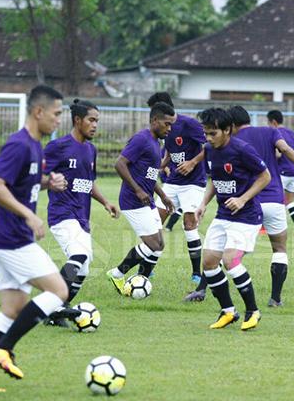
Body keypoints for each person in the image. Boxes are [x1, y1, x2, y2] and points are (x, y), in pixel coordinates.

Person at [0, 85, 70, 392]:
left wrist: (50, 183)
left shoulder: (36, 146)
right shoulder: (19, 144)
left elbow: (24, 183)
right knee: (59, 290)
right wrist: (29, 215)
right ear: (39, 112)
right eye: (57, 114)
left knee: (12, 309)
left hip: (6, 239)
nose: (59, 120)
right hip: (12, 238)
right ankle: (4, 347)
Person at [190, 105, 294, 307]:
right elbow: (285, 149)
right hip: (274, 200)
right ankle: (275, 298)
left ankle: (202, 290)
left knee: (221, 249)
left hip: (246, 202)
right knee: (279, 249)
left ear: (229, 126)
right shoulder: (269, 132)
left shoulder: (234, 143)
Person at [43, 99, 120, 327]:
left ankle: (55, 312)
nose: (95, 125)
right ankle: (54, 306)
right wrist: (49, 182)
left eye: (97, 121)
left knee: (84, 267)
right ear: (77, 120)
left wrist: (105, 202)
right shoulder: (58, 146)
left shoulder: (90, 149)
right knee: (79, 256)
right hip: (61, 214)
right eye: (91, 120)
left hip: (81, 217)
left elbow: (88, 182)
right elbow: (33, 175)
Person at [194, 107, 271, 330]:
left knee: (230, 260)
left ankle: (253, 311)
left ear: (227, 130)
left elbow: (265, 176)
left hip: (246, 216)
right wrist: (202, 204)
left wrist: (243, 199)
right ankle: (228, 311)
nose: (208, 138)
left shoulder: (242, 149)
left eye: (213, 133)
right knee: (208, 263)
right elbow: (214, 181)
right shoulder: (209, 150)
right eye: (205, 133)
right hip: (222, 215)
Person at [106, 103, 175, 293]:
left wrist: (163, 196)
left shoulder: (156, 143)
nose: (169, 129)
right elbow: (120, 164)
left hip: (147, 201)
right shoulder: (141, 139)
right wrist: (137, 190)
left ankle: (140, 280)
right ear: (154, 120)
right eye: (166, 124)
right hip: (132, 200)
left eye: (171, 125)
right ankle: (117, 274)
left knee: (159, 245)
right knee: (153, 244)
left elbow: (150, 175)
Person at [147, 92, 208, 285]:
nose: (153, 116)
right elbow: (172, 151)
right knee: (154, 223)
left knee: (189, 225)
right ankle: (146, 270)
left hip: (193, 182)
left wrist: (192, 162)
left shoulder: (189, 124)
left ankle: (196, 273)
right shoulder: (164, 129)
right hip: (173, 181)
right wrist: (161, 163)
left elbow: (211, 145)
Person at [268, 109, 294, 237]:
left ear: (273, 122)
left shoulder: (275, 133)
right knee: (289, 202)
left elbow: (278, 155)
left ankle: (264, 228)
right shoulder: (292, 133)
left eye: (268, 122)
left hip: (283, 172)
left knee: (270, 198)